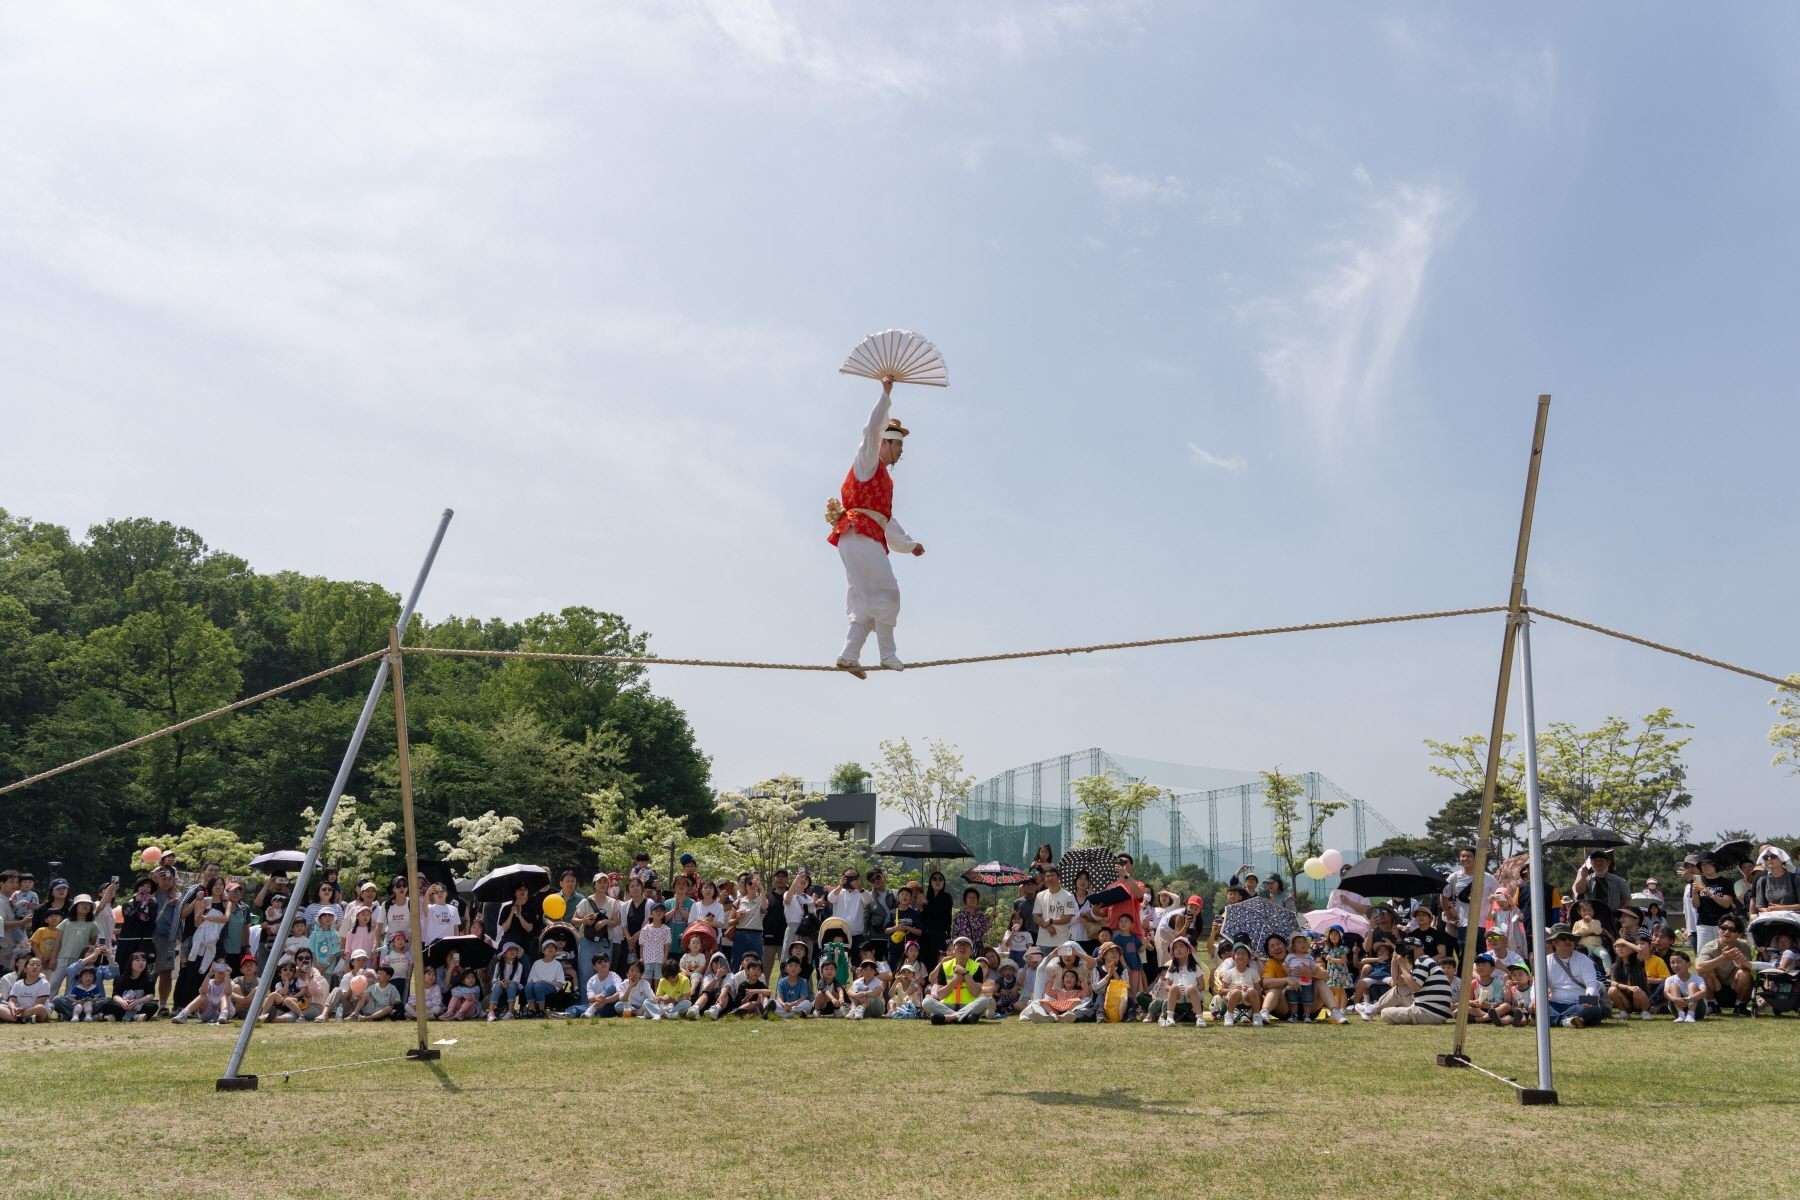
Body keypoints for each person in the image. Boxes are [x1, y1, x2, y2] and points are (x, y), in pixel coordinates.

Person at [829, 376, 924, 675]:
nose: (901, 450)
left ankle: (848, 655)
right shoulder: (868, 462)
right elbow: (871, 430)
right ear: (884, 442)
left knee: (863, 603)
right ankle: (888, 654)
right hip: (858, 533)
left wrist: (909, 545)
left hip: (860, 535)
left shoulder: (883, 477)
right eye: (897, 444)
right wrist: (885, 394)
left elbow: (886, 520)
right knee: (886, 593)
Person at [1376, 940, 1454, 1026]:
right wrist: (1394, 962)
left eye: (1410, 948)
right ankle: (1372, 1009)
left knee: (1385, 1013)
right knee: (1401, 989)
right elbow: (1398, 983)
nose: (1407, 951)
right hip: (1433, 1010)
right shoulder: (1421, 963)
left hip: (1431, 1013)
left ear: (1420, 950)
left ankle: (1372, 1008)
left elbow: (1415, 988)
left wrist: (1403, 966)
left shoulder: (1423, 962)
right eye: (1405, 948)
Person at [1542, 925, 1605, 1028]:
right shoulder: (1546, 961)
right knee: (1530, 1003)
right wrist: (1535, 999)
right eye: (1562, 938)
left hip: (1579, 1004)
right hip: (1555, 1004)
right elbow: (1538, 985)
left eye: (1570, 938)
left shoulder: (1584, 959)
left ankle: (1551, 1020)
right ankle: (1565, 1022)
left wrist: (1589, 998)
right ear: (1553, 941)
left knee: (1594, 1008)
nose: (1567, 941)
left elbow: (1591, 984)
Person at [923, 936, 993, 1024]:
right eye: (959, 944)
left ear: (971, 951)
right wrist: (955, 980)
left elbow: (976, 993)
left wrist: (965, 974)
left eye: (966, 945)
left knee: (984, 1000)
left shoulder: (977, 966)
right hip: (948, 1005)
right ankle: (964, 1018)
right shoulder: (945, 966)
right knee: (926, 1002)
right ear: (953, 950)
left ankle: (950, 1017)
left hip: (969, 1005)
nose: (962, 947)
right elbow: (941, 995)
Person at [1695, 918, 1757, 1017]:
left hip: (1736, 989)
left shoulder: (1744, 946)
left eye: (1731, 930)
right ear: (1719, 929)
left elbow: (1748, 968)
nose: (1726, 932)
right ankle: (1712, 1005)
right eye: (1723, 928)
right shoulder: (1710, 946)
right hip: (1716, 989)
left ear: (1739, 934)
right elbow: (1698, 967)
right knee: (1703, 971)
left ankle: (1740, 1006)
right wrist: (1722, 958)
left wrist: (1740, 961)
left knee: (1744, 973)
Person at [1442, 846, 1500, 931]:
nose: (1465, 858)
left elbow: (1503, 895)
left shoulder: (1487, 877)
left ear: (1476, 858)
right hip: (1462, 925)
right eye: (1463, 856)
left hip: (1484, 925)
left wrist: (1492, 900)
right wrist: (1449, 916)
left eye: (1469, 856)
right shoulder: (1454, 877)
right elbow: (1443, 896)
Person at [1032, 867, 1075, 954]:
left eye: (1053, 875)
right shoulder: (1040, 895)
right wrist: (1048, 926)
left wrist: (1050, 921)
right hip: (1043, 941)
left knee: (1063, 965)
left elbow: (1068, 918)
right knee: (1043, 966)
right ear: (1044, 878)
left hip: (1063, 941)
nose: (1050, 878)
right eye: (1047, 876)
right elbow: (1035, 916)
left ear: (1058, 878)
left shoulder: (1068, 896)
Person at [1, 957, 52, 1023]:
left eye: (38, 965)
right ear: (25, 969)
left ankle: (12, 1017)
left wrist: (22, 1009)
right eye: (32, 964)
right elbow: (12, 1000)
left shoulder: (44, 983)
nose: (35, 967)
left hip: (34, 1010)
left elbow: (40, 1003)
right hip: (19, 1009)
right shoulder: (18, 983)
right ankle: (23, 1020)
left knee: (40, 1008)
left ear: (41, 969)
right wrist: (12, 1007)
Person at [1751, 846, 1800, 915]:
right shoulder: (1762, 881)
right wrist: (1769, 910)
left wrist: (1782, 908)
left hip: (1793, 921)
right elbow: (1760, 906)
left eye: (1773, 856)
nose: (1769, 859)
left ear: (1782, 859)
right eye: (1765, 857)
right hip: (1770, 920)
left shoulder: (1795, 879)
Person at [524, 940, 566, 1018]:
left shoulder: (557, 964)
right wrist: (534, 981)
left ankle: (541, 1011)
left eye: (553, 947)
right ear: (543, 951)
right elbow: (530, 980)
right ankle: (533, 1011)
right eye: (548, 947)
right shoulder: (537, 963)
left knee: (538, 986)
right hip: (538, 984)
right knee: (528, 986)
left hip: (550, 986)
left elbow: (560, 985)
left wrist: (547, 982)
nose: (550, 949)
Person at [920, 872, 952, 969]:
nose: (937, 881)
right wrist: (922, 910)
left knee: (938, 964)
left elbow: (937, 913)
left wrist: (925, 903)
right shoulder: (928, 898)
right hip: (925, 937)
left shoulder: (946, 897)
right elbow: (924, 921)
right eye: (934, 879)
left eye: (940, 879)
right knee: (925, 964)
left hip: (939, 936)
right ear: (930, 882)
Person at [487, 942, 526, 1020]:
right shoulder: (499, 965)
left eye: (514, 949)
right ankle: (491, 1012)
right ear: (504, 954)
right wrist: (503, 982)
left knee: (511, 986)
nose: (512, 952)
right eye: (510, 950)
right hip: (501, 985)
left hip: (513, 986)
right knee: (497, 986)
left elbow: (516, 981)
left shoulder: (519, 965)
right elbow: (495, 980)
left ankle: (510, 1012)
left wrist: (508, 982)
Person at [1665, 950, 1707, 1022]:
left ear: (1688, 965)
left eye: (1679, 962)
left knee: (1692, 985)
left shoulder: (1697, 978)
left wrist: (1690, 999)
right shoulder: (1670, 979)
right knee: (1673, 986)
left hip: (1697, 1010)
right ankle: (1681, 1015)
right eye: (1672, 962)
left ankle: (1691, 1014)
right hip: (1677, 1008)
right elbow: (1665, 993)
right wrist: (1675, 999)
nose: (1675, 965)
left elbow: (1704, 992)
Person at [951, 887, 991, 953]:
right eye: (969, 897)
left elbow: (985, 930)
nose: (972, 899)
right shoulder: (960, 915)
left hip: (978, 948)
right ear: (965, 900)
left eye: (974, 897)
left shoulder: (980, 915)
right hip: (964, 947)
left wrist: (992, 918)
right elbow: (955, 933)